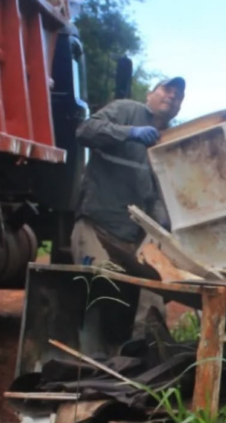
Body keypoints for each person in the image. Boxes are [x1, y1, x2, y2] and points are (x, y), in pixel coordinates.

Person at [70, 77, 185, 336]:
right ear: (149, 94)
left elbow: (157, 195)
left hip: (134, 240)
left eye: (179, 95)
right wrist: (129, 133)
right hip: (95, 228)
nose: (172, 96)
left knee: (155, 294)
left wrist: (164, 223)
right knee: (100, 288)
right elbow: (85, 131)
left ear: (180, 107)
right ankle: (90, 363)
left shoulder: (168, 144)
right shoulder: (125, 111)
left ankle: (143, 361)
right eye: (167, 89)